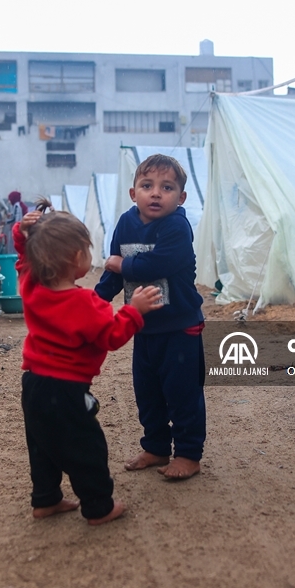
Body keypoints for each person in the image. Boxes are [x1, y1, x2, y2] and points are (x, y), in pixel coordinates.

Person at [14, 200, 162, 525]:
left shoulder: (32, 288)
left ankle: (45, 499)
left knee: (42, 444)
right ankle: (98, 506)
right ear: (75, 259)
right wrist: (134, 310)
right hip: (66, 390)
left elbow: (24, 261)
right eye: (86, 249)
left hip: (34, 384)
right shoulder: (85, 303)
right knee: (86, 448)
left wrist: (23, 233)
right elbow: (111, 336)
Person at [95, 154, 206, 480]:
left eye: (167, 187)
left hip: (180, 326)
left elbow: (155, 265)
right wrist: (95, 300)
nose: (156, 193)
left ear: (181, 197)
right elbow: (113, 275)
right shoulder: (126, 223)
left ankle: (188, 453)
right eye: (147, 185)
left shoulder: (177, 227)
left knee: (183, 394)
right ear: (134, 193)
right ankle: (156, 447)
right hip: (143, 326)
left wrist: (120, 264)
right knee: (148, 392)